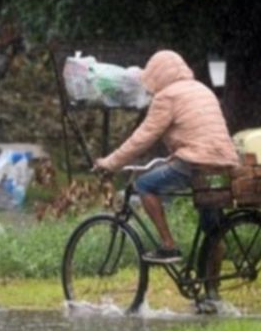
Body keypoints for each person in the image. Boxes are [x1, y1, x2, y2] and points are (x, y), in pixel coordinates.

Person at [93, 50, 239, 263]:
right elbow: (198, 131)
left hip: (195, 162)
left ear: (157, 75)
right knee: (212, 231)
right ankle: (211, 292)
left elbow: (142, 138)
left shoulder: (167, 96)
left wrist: (110, 162)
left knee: (144, 185)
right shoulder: (201, 89)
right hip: (223, 163)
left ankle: (168, 245)